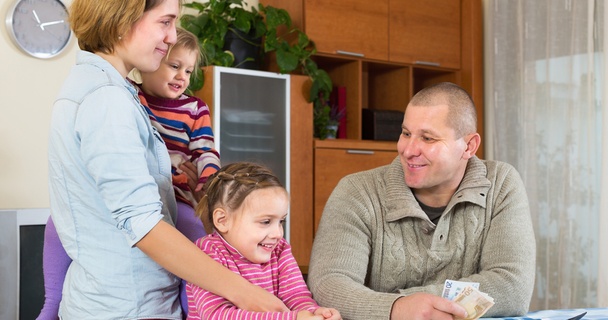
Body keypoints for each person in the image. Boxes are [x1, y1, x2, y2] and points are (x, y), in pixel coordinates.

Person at [47, 0, 288, 319]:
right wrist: (243, 291)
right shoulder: (106, 100)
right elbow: (143, 225)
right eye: (165, 22)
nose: (173, 36)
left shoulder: (106, 91)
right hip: (127, 309)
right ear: (123, 18)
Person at [307, 82, 536, 320]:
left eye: (427, 138)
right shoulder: (356, 191)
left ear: (469, 146)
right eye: (406, 133)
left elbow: (512, 287)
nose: (408, 150)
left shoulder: (501, 183)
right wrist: (397, 308)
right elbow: (329, 285)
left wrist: (408, 302)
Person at [38, 26, 220, 319]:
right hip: (132, 199)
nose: (182, 77)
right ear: (151, 62)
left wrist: (208, 180)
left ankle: (194, 308)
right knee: (55, 224)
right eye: (174, 66)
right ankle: (51, 304)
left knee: (196, 235)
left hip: (178, 195)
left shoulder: (195, 108)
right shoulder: (126, 96)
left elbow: (206, 150)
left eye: (188, 71)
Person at [186, 162, 342, 320]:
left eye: (281, 221)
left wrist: (313, 312)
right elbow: (218, 315)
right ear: (223, 220)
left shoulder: (280, 250)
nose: (278, 234)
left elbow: (296, 296)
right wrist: (292, 318)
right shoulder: (207, 253)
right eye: (266, 222)